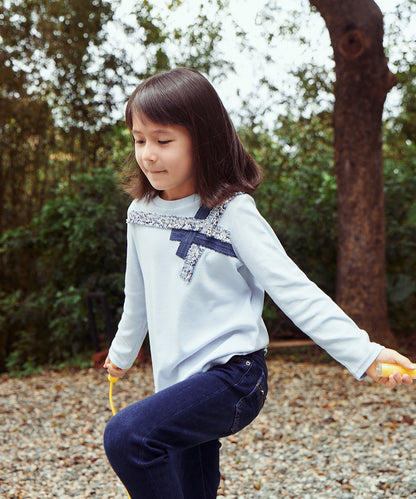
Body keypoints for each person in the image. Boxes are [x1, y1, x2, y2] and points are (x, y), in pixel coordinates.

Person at [103, 67, 414, 499]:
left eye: (163, 141)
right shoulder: (141, 213)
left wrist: (365, 354)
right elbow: (137, 297)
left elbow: (295, 290)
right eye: (139, 140)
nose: (148, 155)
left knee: (127, 436)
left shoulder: (234, 213)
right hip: (178, 385)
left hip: (234, 379)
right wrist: (121, 354)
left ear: (203, 139)